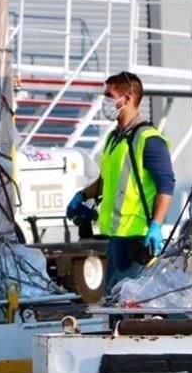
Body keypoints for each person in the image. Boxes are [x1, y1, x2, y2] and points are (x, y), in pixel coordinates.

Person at [66, 71, 175, 300]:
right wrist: (82, 195)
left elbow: (166, 185)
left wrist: (156, 226)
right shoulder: (114, 139)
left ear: (127, 99)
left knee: (131, 303)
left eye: (109, 95)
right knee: (114, 301)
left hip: (139, 240)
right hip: (117, 238)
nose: (104, 101)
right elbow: (106, 180)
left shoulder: (148, 139)